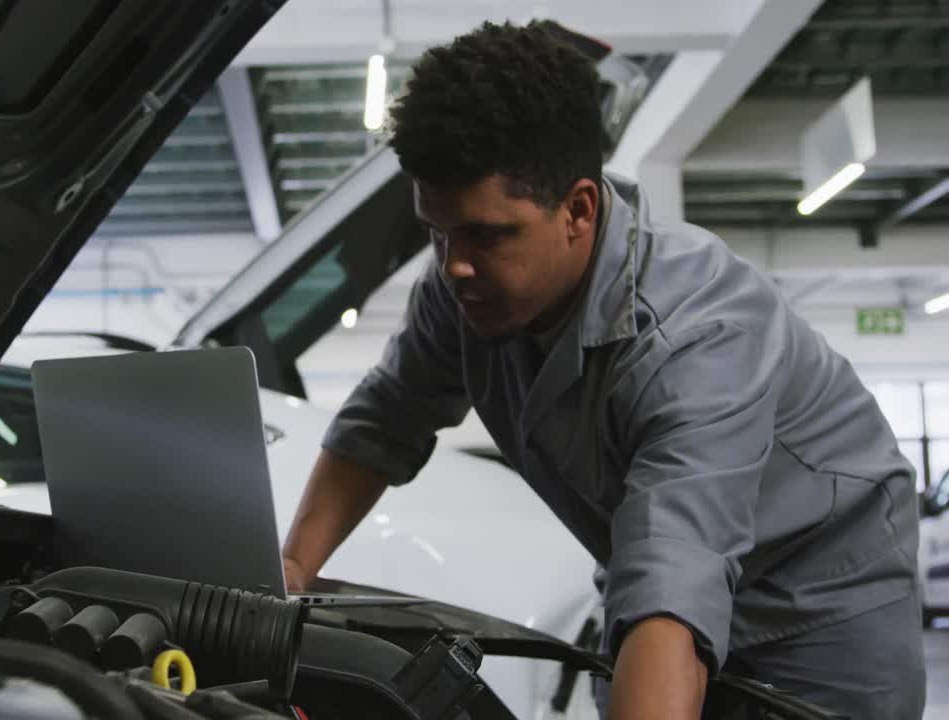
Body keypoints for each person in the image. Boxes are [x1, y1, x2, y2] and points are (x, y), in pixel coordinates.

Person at [278, 19, 925, 720]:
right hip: (657, 600)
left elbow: (675, 576)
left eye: (488, 235)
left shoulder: (694, 336)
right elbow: (382, 423)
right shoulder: (461, 293)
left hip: (817, 626)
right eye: (438, 232)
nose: (454, 265)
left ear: (579, 209)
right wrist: (286, 577)